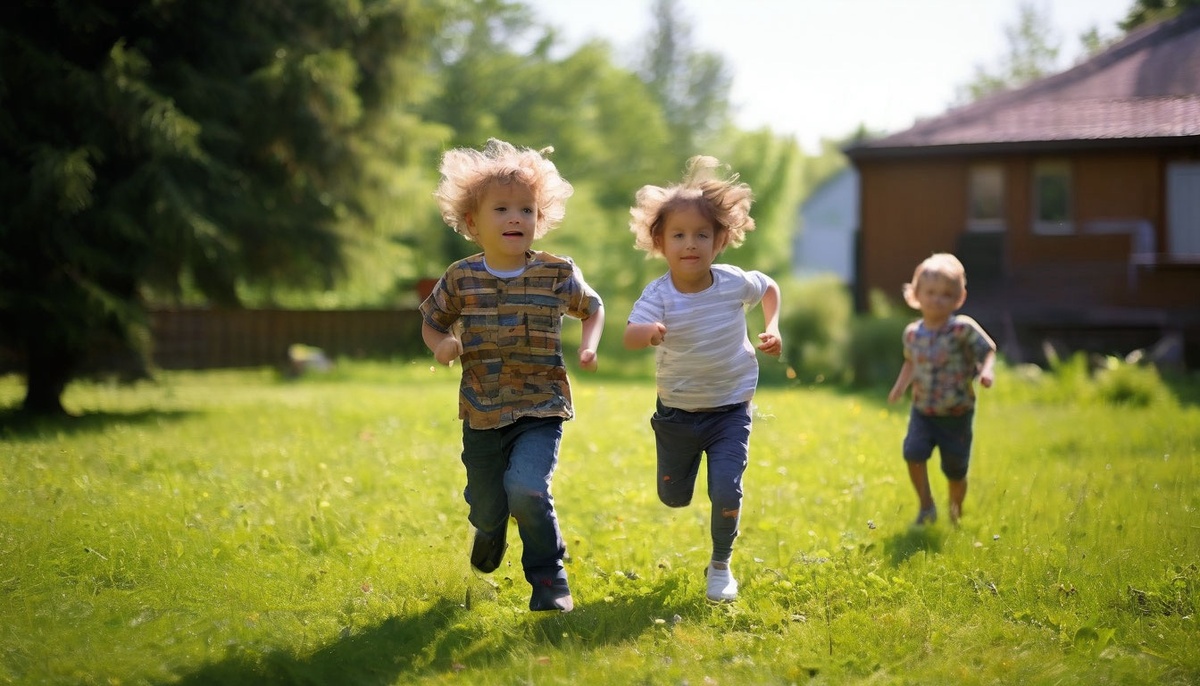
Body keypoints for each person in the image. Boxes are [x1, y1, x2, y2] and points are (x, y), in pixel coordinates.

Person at [419, 138, 604, 613]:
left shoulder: (556, 274)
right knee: (487, 501)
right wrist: (441, 345)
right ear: (472, 222)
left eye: (526, 209)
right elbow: (433, 320)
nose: (515, 218)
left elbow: (593, 308)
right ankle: (489, 525)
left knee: (527, 488)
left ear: (538, 219)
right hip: (482, 411)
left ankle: (549, 578)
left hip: (540, 406)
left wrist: (588, 344)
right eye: (501, 209)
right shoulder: (460, 278)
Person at [623, 156, 782, 603]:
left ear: (720, 240)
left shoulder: (732, 283)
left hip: (731, 408)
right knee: (673, 497)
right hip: (677, 412)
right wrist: (649, 333)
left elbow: (768, 287)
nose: (690, 244)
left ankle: (720, 567)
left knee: (727, 489)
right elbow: (630, 336)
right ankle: (679, 479)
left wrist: (774, 327)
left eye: (701, 235)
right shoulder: (658, 295)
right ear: (660, 241)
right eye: (679, 235)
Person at [887, 253, 996, 526]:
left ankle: (955, 513)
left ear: (959, 298)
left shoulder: (962, 329)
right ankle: (926, 508)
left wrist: (986, 370)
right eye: (931, 292)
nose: (937, 299)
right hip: (922, 410)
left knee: (955, 471)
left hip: (957, 414)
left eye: (947, 294)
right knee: (912, 452)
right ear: (916, 295)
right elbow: (911, 362)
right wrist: (900, 387)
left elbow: (988, 349)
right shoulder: (912, 333)